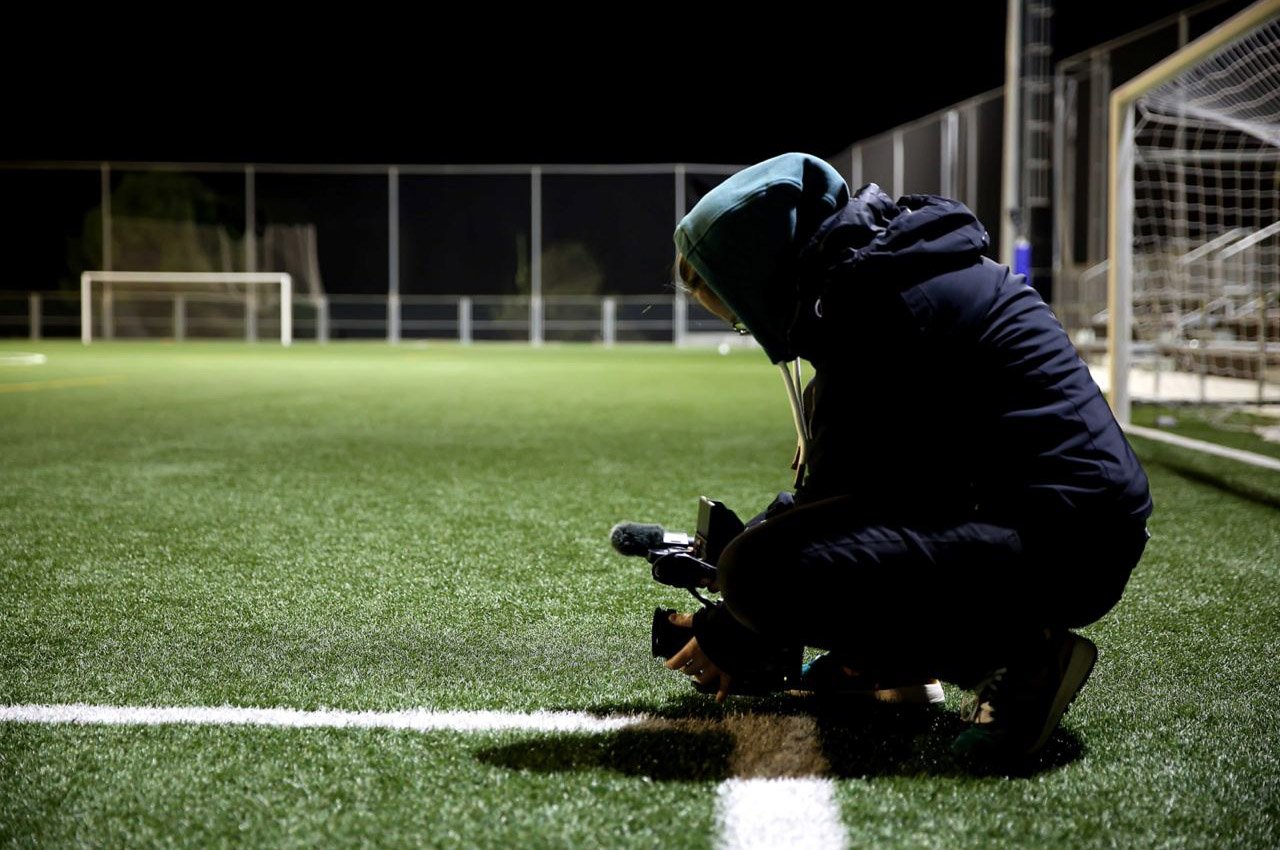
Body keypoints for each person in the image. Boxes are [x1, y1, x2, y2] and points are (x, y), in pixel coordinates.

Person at [661, 152, 1152, 761]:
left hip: (1063, 541)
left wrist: (733, 624)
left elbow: (855, 503)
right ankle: (880, 663)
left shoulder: (875, 308)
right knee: (779, 556)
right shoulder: (890, 274)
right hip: (1058, 521)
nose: (751, 329)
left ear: (763, 271)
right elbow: (877, 493)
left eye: (740, 314)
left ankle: (1021, 661)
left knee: (759, 576)